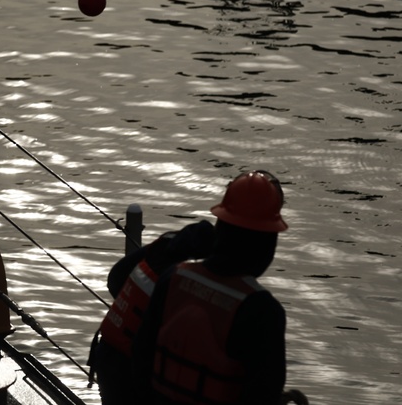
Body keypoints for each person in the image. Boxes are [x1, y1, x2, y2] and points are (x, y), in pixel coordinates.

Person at [132, 171, 308, 405]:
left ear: (220, 228)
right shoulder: (263, 311)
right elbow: (263, 396)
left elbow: (140, 358)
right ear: (267, 243)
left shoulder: (173, 278)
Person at [90, 218, 216, 405]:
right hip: (131, 369)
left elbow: (116, 278)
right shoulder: (193, 276)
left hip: (107, 350)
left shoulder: (167, 243)